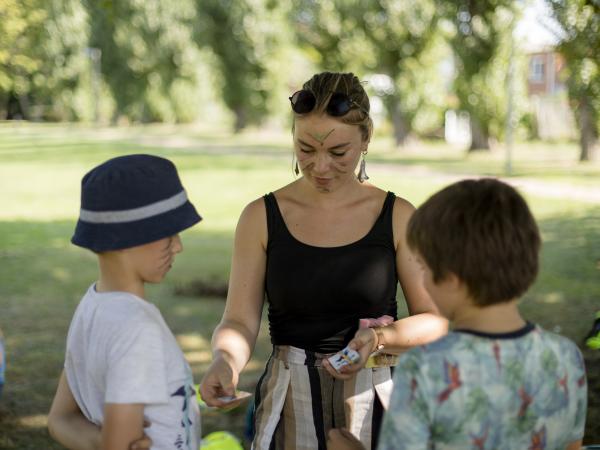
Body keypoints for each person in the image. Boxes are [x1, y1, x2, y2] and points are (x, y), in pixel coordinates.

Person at [199, 72, 448, 450]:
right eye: (305, 150)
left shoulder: (398, 215)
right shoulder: (259, 217)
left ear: (366, 140)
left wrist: (380, 338)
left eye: (338, 153)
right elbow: (237, 320)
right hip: (289, 401)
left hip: (377, 401)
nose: (320, 167)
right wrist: (225, 360)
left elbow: (436, 322)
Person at [327, 178, 588, 450]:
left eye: (424, 267)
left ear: (450, 279)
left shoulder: (426, 367)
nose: (423, 279)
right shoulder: (565, 355)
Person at [47, 154, 202, 450]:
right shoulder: (138, 330)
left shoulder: (91, 307)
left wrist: (102, 441)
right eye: (168, 234)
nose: (178, 246)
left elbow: (60, 419)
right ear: (129, 237)